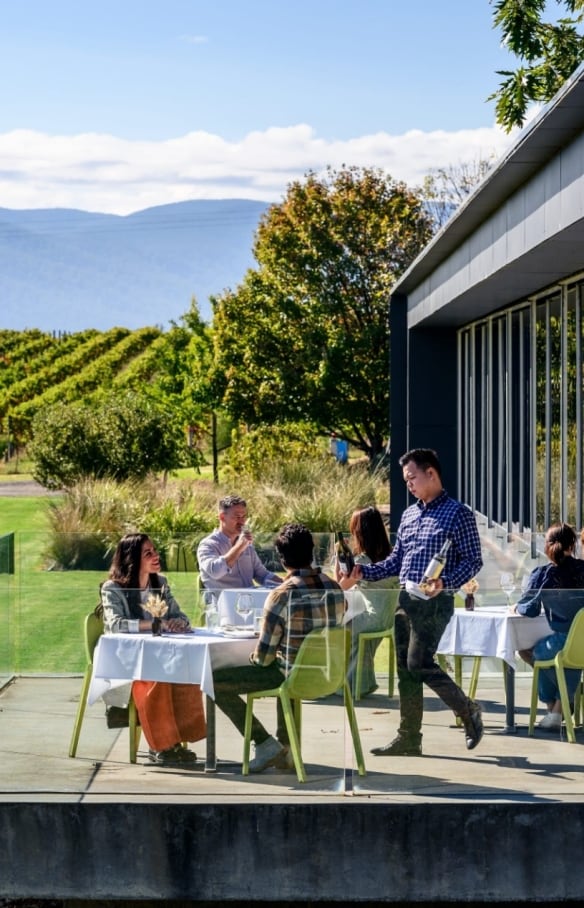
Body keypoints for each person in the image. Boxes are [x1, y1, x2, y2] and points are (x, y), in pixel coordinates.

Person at [348, 448, 484, 756]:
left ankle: (467, 710)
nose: (408, 484)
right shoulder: (409, 515)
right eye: (405, 480)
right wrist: (362, 571)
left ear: (431, 474)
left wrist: (445, 582)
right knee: (404, 670)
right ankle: (409, 737)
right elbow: (396, 561)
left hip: (435, 602)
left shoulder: (458, 513)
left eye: (412, 478)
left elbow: (474, 560)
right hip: (405, 600)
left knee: (418, 663)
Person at [212, 523, 346, 772]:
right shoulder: (336, 588)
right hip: (330, 675)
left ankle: (263, 743)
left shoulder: (281, 595)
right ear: (312, 550)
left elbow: (263, 658)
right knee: (286, 668)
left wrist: (248, 657)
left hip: (292, 677)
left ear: (281, 559)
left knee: (215, 681)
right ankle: (286, 750)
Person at [101, 533, 207, 765]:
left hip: (161, 657)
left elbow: (179, 615)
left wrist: (179, 622)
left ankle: (177, 740)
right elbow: (115, 625)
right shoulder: (113, 588)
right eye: (148, 553)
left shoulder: (160, 583)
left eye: (155, 551)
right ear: (132, 559)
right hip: (128, 661)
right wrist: (154, 624)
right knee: (156, 681)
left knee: (186, 674)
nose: (155, 556)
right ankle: (160, 746)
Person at [512, 522, 584, 730]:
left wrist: (517, 607)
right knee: (567, 658)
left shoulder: (542, 575)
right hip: (580, 643)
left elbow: (530, 609)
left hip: (562, 639)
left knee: (531, 651)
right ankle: (558, 709)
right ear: (573, 545)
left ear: (547, 546)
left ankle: (553, 707)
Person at [335, 506, 396, 696]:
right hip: (388, 619)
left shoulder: (362, 561)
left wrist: (339, 559)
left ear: (359, 532)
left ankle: (343, 686)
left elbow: (339, 588)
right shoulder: (392, 555)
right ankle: (362, 684)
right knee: (351, 632)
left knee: (334, 632)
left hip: (371, 619)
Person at [197, 495, 281, 593]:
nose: (242, 521)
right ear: (222, 517)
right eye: (237, 517)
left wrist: (287, 583)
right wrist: (239, 547)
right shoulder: (208, 545)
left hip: (250, 603)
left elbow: (262, 575)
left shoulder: (246, 545)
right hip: (221, 606)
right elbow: (215, 572)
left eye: (244, 516)